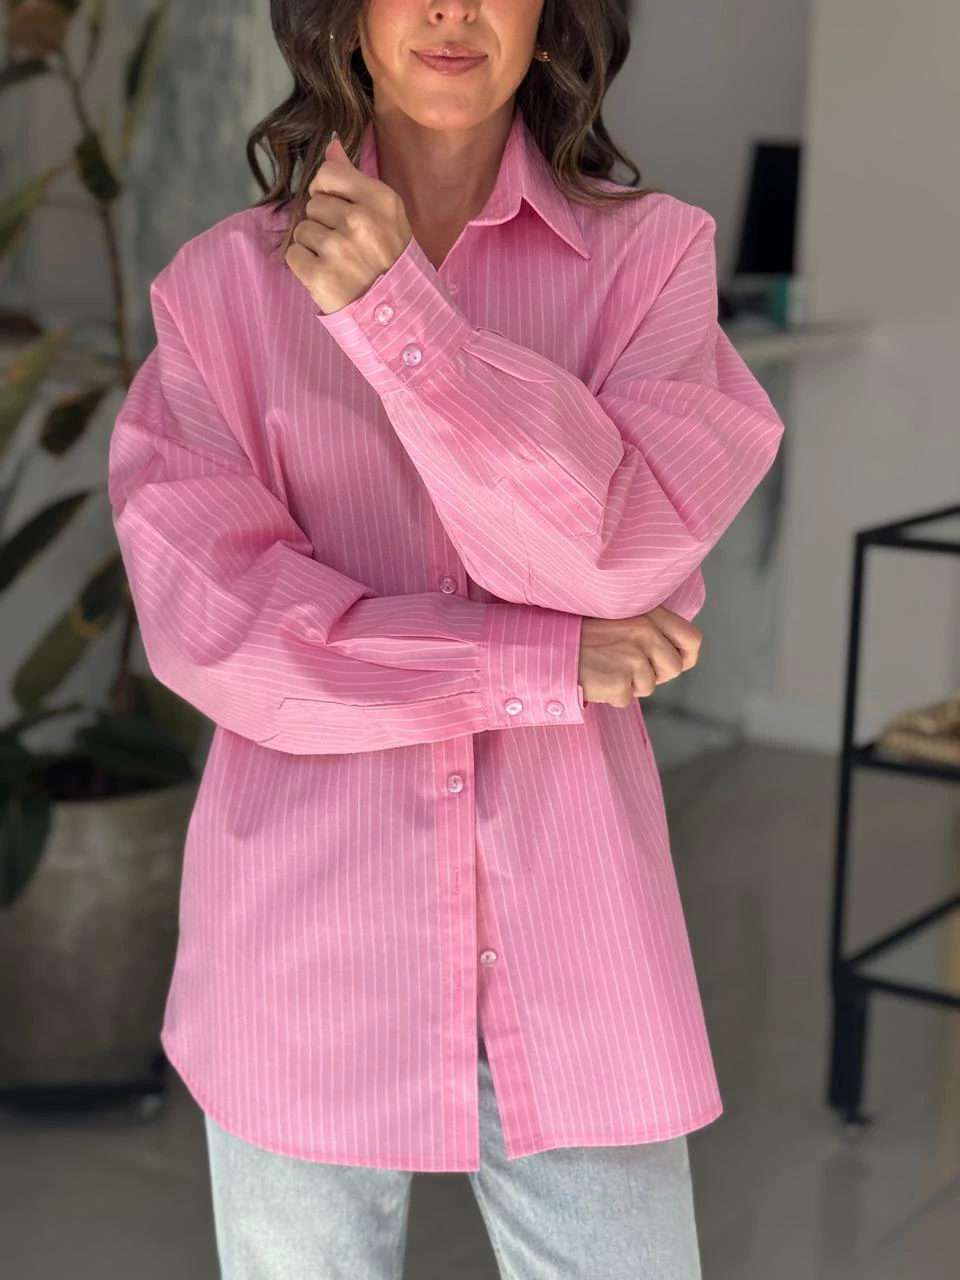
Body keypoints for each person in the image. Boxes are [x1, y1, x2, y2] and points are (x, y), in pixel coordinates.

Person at [107, 1, 785, 1276]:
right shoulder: (219, 291)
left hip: (573, 941)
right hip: (302, 947)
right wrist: (538, 658)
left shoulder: (651, 261)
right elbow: (226, 637)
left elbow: (615, 556)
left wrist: (393, 315)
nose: (452, 8)